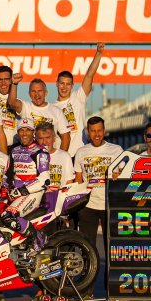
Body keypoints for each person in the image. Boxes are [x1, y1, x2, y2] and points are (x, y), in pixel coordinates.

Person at [73, 116, 124, 245]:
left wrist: (119, 175)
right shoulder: (81, 152)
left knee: (111, 245)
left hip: (109, 205)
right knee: (87, 246)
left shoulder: (116, 150)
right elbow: (78, 180)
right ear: (88, 132)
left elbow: (125, 174)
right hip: (87, 206)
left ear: (104, 130)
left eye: (99, 130)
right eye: (93, 131)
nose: (96, 134)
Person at [53, 43, 105, 158]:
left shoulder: (78, 97)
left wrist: (98, 53)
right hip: (62, 157)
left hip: (81, 155)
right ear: (56, 84)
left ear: (72, 86)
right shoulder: (51, 108)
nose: (64, 87)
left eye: (68, 84)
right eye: (62, 83)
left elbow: (89, 75)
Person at [8, 77, 71, 152]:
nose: (37, 94)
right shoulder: (25, 107)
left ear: (46, 93)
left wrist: (60, 156)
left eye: (40, 91)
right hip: (30, 155)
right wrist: (14, 84)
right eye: (33, 91)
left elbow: (66, 137)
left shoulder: (56, 111)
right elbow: (12, 102)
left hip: (51, 155)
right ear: (29, 94)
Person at [35, 122, 74, 190]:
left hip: (60, 195)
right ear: (36, 139)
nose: (44, 142)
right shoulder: (32, 156)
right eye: (41, 138)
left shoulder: (65, 156)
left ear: (54, 138)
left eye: (48, 138)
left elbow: (69, 182)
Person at [10, 118, 47, 186]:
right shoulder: (14, 150)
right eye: (21, 130)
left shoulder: (41, 151)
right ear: (18, 132)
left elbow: (44, 178)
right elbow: (8, 174)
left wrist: (25, 190)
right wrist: (5, 187)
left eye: (28, 130)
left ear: (33, 132)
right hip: (15, 190)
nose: (24, 134)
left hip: (34, 191)